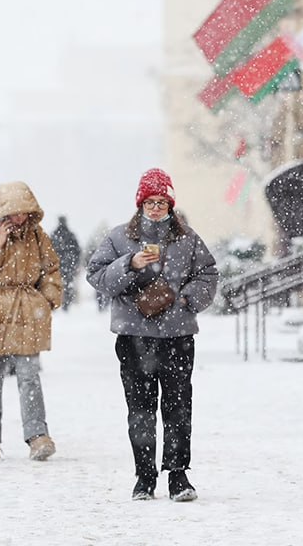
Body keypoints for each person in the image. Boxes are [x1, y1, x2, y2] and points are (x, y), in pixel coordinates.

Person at [86, 168, 218, 502]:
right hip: (134, 336)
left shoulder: (187, 238)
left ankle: (178, 476)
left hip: (177, 336)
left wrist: (188, 298)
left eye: (162, 202)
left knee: (177, 407)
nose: (156, 208)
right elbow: (96, 275)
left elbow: (208, 272)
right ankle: (144, 477)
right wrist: (130, 263)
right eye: (150, 201)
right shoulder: (119, 238)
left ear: (171, 204)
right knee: (140, 408)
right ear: (140, 203)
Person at [0, 181, 63, 462]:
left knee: (29, 379)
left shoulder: (38, 236)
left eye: (24, 211)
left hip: (27, 313)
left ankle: (37, 436)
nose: (20, 218)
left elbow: (51, 269)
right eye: (14, 212)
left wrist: (48, 299)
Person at [49, 215, 81, 310]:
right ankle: (66, 304)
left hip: (58, 265)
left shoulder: (54, 234)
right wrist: (75, 263)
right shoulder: (70, 235)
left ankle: (56, 304)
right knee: (67, 285)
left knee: (56, 285)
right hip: (68, 265)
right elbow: (77, 251)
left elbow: (48, 250)